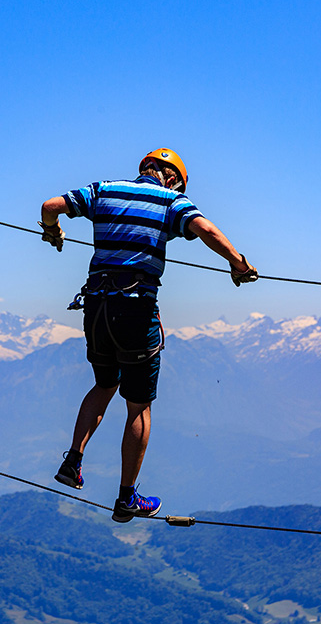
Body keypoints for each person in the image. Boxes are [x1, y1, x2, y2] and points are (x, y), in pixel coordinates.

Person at [39, 148, 258, 523]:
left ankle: (73, 460)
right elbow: (204, 229)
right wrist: (239, 264)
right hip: (135, 309)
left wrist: (51, 230)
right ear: (173, 178)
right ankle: (126, 499)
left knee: (104, 384)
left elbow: (50, 205)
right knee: (138, 405)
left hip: (96, 307)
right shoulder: (172, 200)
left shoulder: (104, 188)